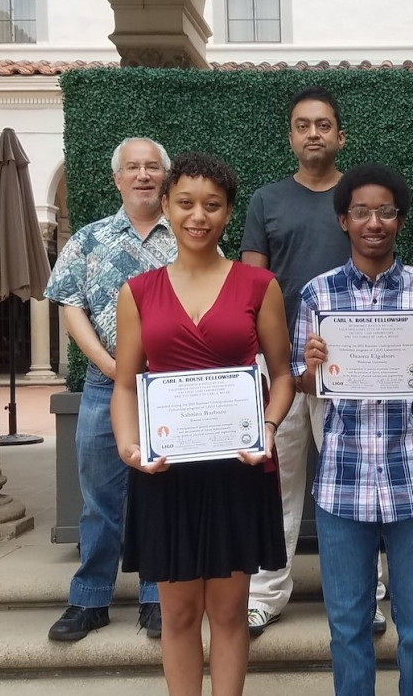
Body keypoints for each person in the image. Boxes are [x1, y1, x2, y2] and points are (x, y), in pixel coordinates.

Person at [111, 151, 293, 696]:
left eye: (212, 205)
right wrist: (127, 443)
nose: (198, 215)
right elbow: (124, 383)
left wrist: (268, 425)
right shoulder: (138, 292)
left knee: (230, 613)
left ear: (228, 213)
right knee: (180, 614)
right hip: (166, 468)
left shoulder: (258, 285)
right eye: (185, 202)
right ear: (165, 205)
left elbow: (282, 375)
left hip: (239, 464)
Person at [293, 164, 413, 696]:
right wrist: (311, 370)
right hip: (344, 483)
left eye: (385, 212)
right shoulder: (318, 295)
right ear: (343, 220)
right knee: (347, 630)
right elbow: (305, 384)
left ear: (400, 220)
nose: (374, 222)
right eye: (361, 212)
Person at [240, 86, 387, 635]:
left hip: (351, 371)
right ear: (291, 136)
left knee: (353, 481)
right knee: (276, 484)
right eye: (303, 125)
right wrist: (263, 360)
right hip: (280, 368)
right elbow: (251, 286)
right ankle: (265, 594)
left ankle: (366, 596)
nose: (313, 134)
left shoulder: (358, 203)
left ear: (339, 135)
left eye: (323, 125)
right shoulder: (267, 201)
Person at [44, 137, 176, 642]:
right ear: (116, 178)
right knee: (99, 497)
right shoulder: (88, 239)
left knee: (161, 493)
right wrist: (110, 364)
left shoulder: (186, 237)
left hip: (169, 387)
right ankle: (89, 599)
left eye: (151, 167)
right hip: (104, 385)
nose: (143, 175)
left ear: (163, 177)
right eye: (132, 168)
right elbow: (70, 304)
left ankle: (156, 597)